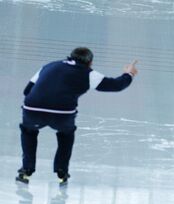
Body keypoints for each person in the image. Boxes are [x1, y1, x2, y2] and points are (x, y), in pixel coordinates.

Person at [16, 47, 138, 185]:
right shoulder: (88, 74)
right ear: (90, 63)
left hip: (32, 110)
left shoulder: (48, 66)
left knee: (29, 132)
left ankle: (26, 170)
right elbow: (116, 85)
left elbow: (27, 91)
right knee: (66, 134)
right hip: (62, 115)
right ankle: (62, 171)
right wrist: (129, 74)